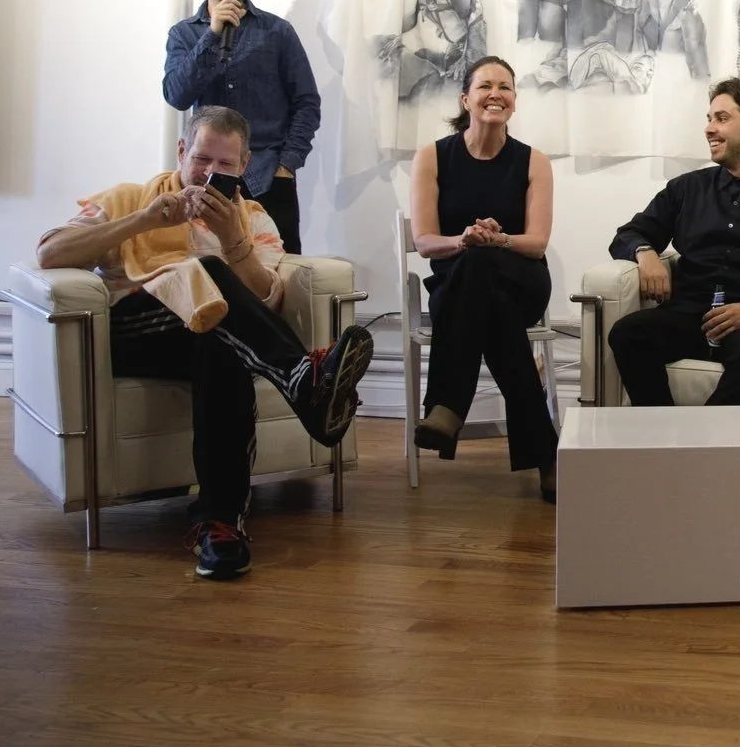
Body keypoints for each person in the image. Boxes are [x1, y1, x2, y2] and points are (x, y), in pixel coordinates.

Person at [34, 106, 372, 580]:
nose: (209, 173)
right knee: (210, 275)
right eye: (201, 159)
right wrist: (141, 221)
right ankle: (302, 379)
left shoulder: (253, 219)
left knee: (222, 347)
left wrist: (234, 241)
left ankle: (220, 524)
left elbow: (266, 302)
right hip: (133, 332)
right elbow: (49, 252)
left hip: (201, 335)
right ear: (181, 152)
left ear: (244, 165)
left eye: (225, 165)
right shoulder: (129, 198)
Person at [606, 78, 740, 410]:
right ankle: (661, 430)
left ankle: (705, 435)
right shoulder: (685, 189)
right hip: (689, 314)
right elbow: (628, 234)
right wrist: (645, 252)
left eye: (722, 118)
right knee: (627, 333)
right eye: (709, 119)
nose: (709, 128)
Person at [407, 57, 561, 502]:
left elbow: (536, 244)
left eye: (505, 87)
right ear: (466, 98)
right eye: (485, 86)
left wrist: (497, 240)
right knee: (487, 296)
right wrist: (465, 240)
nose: (496, 94)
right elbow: (424, 241)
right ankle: (547, 454)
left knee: (482, 265)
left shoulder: (534, 161)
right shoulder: (433, 157)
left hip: (522, 281)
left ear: (514, 101)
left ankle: (447, 406)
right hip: (458, 286)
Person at [162, 0, 322, 255]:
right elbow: (177, 96)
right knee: (211, 266)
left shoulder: (277, 32)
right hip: (208, 181)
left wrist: (287, 165)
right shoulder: (184, 35)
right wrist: (212, 35)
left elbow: (307, 102)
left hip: (269, 177)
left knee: (280, 273)